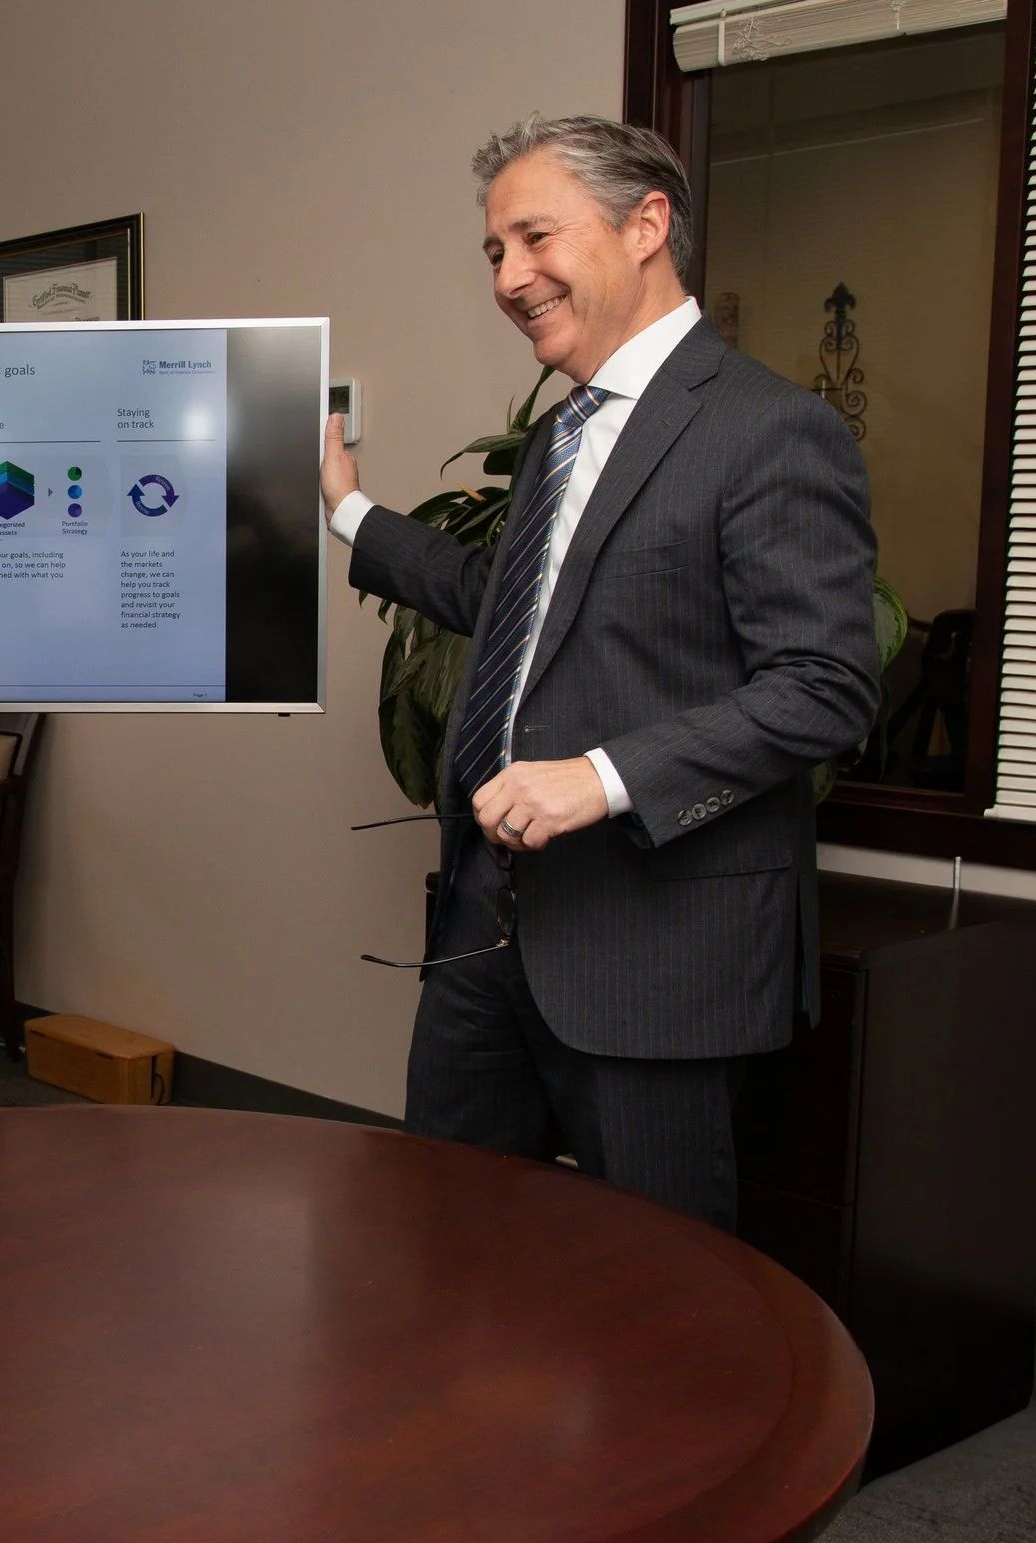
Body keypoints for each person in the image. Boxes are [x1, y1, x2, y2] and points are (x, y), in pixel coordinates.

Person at [325, 116, 880, 1229]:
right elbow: (509, 605)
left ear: (646, 225)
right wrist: (344, 506)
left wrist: (600, 775)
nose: (509, 276)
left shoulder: (767, 430)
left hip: (651, 949)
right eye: (493, 252)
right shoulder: (559, 437)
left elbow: (826, 682)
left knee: (658, 1290)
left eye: (534, 237)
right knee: (445, 1242)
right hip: (487, 922)